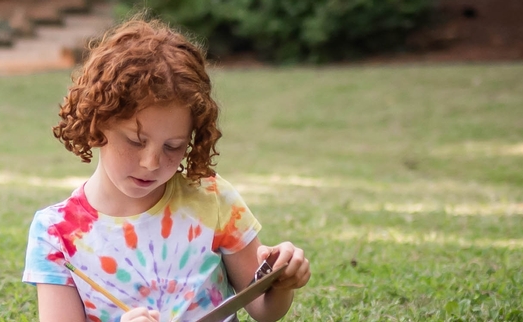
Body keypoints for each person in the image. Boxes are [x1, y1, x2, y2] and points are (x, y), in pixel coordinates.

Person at [22, 17, 311, 322]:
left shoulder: (212, 199)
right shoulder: (56, 233)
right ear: (98, 120)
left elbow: (264, 310)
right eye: (135, 141)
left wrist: (281, 281)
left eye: (173, 146)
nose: (151, 163)